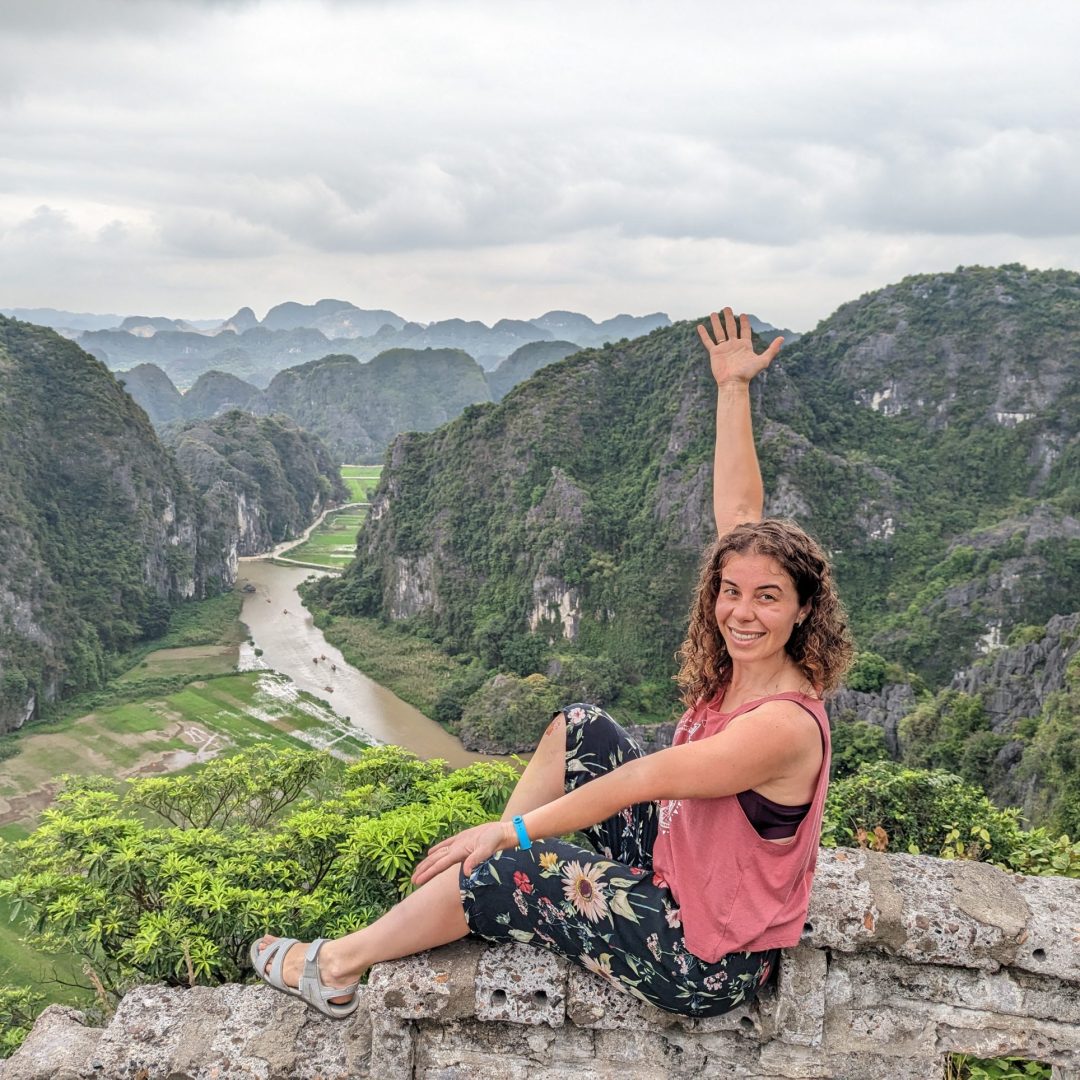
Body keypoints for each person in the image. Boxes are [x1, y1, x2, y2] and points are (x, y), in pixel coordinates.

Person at [250, 308, 853, 1019]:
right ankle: (473, 884)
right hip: (679, 872)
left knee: (517, 854)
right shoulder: (744, 664)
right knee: (580, 728)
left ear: (804, 609)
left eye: (768, 598)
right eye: (731, 591)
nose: (742, 612)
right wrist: (732, 388)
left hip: (701, 955)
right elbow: (741, 515)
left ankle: (336, 966)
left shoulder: (783, 724)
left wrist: (514, 835)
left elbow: (644, 779)